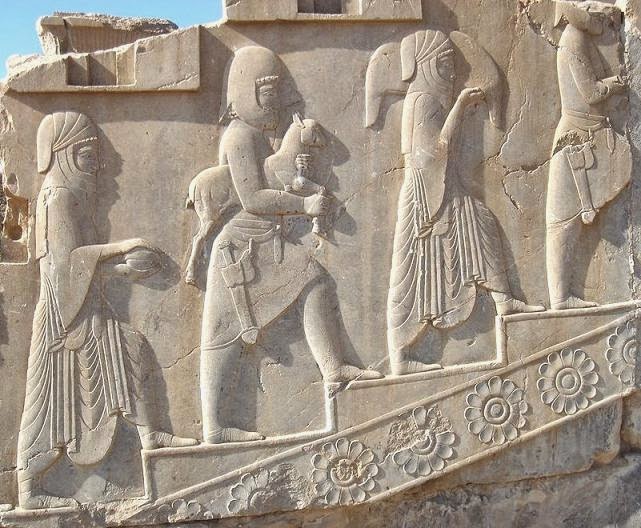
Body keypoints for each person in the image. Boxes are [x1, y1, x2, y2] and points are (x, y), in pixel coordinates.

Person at [200, 46, 382, 445]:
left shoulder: (258, 136)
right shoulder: (239, 136)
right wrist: (304, 205)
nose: (275, 103)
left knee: (314, 280)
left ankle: (333, 369)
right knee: (223, 334)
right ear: (245, 93)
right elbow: (253, 198)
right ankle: (214, 427)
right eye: (267, 93)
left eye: (277, 94)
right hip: (241, 246)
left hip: (266, 241)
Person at [17, 111, 197, 510]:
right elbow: (65, 265)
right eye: (86, 155)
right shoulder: (58, 197)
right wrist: (122, 249)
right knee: (48, 403)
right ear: (63, 155)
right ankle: (28, 488)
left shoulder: (71, 196)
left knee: (128, 348)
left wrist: (123, 270)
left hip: (82, 307)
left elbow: (78, 266)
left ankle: (150, 434)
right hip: (62, 318)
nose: (95, 166)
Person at [387, 30, 544, 376]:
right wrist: (459, 107)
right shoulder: (422, 101)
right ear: (426, 65)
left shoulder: (423, 99)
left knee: (479, 223)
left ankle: (504, 301)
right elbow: (429, 154)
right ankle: (401, 355)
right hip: (425, 193)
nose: (451, 70)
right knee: (412, 274)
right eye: (444, 63)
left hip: (440, 186)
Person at [546, 0, 631, 310]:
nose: (604, 24)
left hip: (585, 135)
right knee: (563, 221)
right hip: (577, 139)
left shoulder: (577, 39)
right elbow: (591, 93)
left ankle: (561, 296)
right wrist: (616, 84)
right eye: (600, 18)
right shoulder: (574, 40)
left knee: (567, 222)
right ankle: (560, 298)